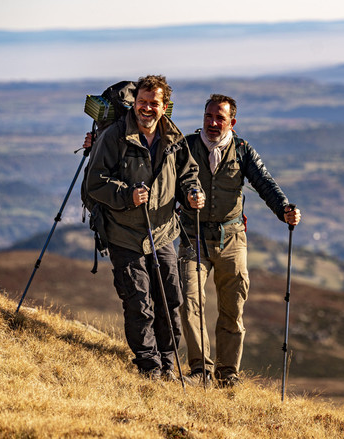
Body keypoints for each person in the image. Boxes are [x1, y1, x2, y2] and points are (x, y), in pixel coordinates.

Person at [85, 75, 205, 381]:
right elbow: (95, 183)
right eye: (142, 102)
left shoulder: (173, 138)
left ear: (165, 106)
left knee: (169, 298)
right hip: (124, 234)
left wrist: (192, 192)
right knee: (139, 301)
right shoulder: (114, 136)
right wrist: (127, 195)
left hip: (163, 232)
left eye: (154, 103)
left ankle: (169, 363)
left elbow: (187, 173)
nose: (147, 108)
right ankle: (149, 366)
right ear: (135, 103)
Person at [178, 94, 301, 387]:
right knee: (189, 302)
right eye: (208, 116)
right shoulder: (185, 147)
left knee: (233, 307)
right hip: (192, 236)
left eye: (219, 118)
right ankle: (200, 370)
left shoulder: (243, 149)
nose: (212, 123)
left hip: (232, 238)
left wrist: (284, 208)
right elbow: (170, 180)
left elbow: (264, 182)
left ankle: (227, 373)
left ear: (232, 122)